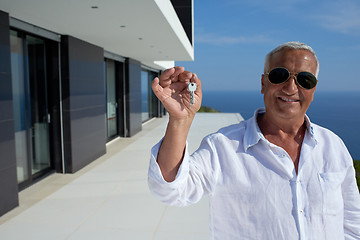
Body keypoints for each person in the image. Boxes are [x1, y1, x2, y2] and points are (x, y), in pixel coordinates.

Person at [148, 41, 360, 239]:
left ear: (313, 89)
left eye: (305, 79)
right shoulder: (222, 147)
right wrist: (180, 121)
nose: (291, 88)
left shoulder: (333, 147)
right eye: (279, 75)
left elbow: (352, 225)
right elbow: (170, 190)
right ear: (263, 83)